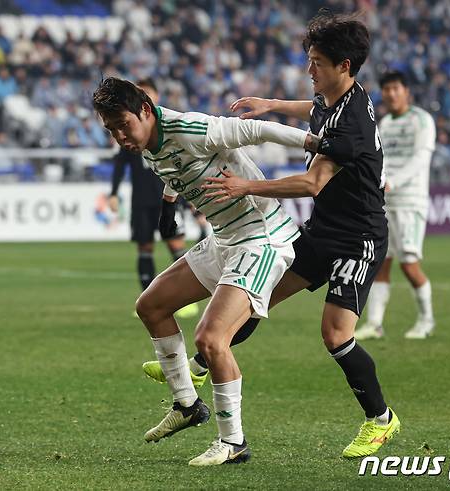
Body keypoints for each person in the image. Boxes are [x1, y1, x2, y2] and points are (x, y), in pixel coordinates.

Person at [145, 11, 401, 459]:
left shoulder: (353, 122)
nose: (309, 70)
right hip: (322, 230)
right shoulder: (336, 96)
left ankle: (381, 420)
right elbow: (314, 109)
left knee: (335, 335)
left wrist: (246, 186)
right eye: (309, 59)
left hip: (358, 238)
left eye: (317, 62)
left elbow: (311, 184)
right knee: (254, 299)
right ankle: (202, 365)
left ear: (344, 65)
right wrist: (272, 104)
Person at [93, 76, 320, 466]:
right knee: (151, 305)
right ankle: (186, 405)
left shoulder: (190, 127)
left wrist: (315, 144)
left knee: (211, 338)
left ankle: (233, 443)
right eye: (110, 128)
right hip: (224, 239)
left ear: (145, 111)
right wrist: (168, 205)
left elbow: (254, 129)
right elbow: (173, 169)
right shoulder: (147, 144)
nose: (119, 136)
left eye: (123, 124)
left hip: (260, 238)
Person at [108, 78, 199, 321]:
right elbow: (119, 165)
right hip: (141, 201)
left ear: (155, 98)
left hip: (167, 199)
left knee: (177, 246)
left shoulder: (169, 126)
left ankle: (185, 300)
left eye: (147, 93)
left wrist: (191, 195)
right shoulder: (128, 131)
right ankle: (147, 300)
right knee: (144, 248)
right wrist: (114, 193)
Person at [355, 71, 436, 340]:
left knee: (409, 264)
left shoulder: (422, 120)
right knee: (381, 263)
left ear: (406, 91)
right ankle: (375, 324)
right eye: (386, 89)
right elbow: (381, 160)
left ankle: (427, 320)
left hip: (411, 201)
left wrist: (395, 181)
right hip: (385, 202)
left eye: (395, 88)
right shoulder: (386, 123)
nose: (390, 94)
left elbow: (420, 158)